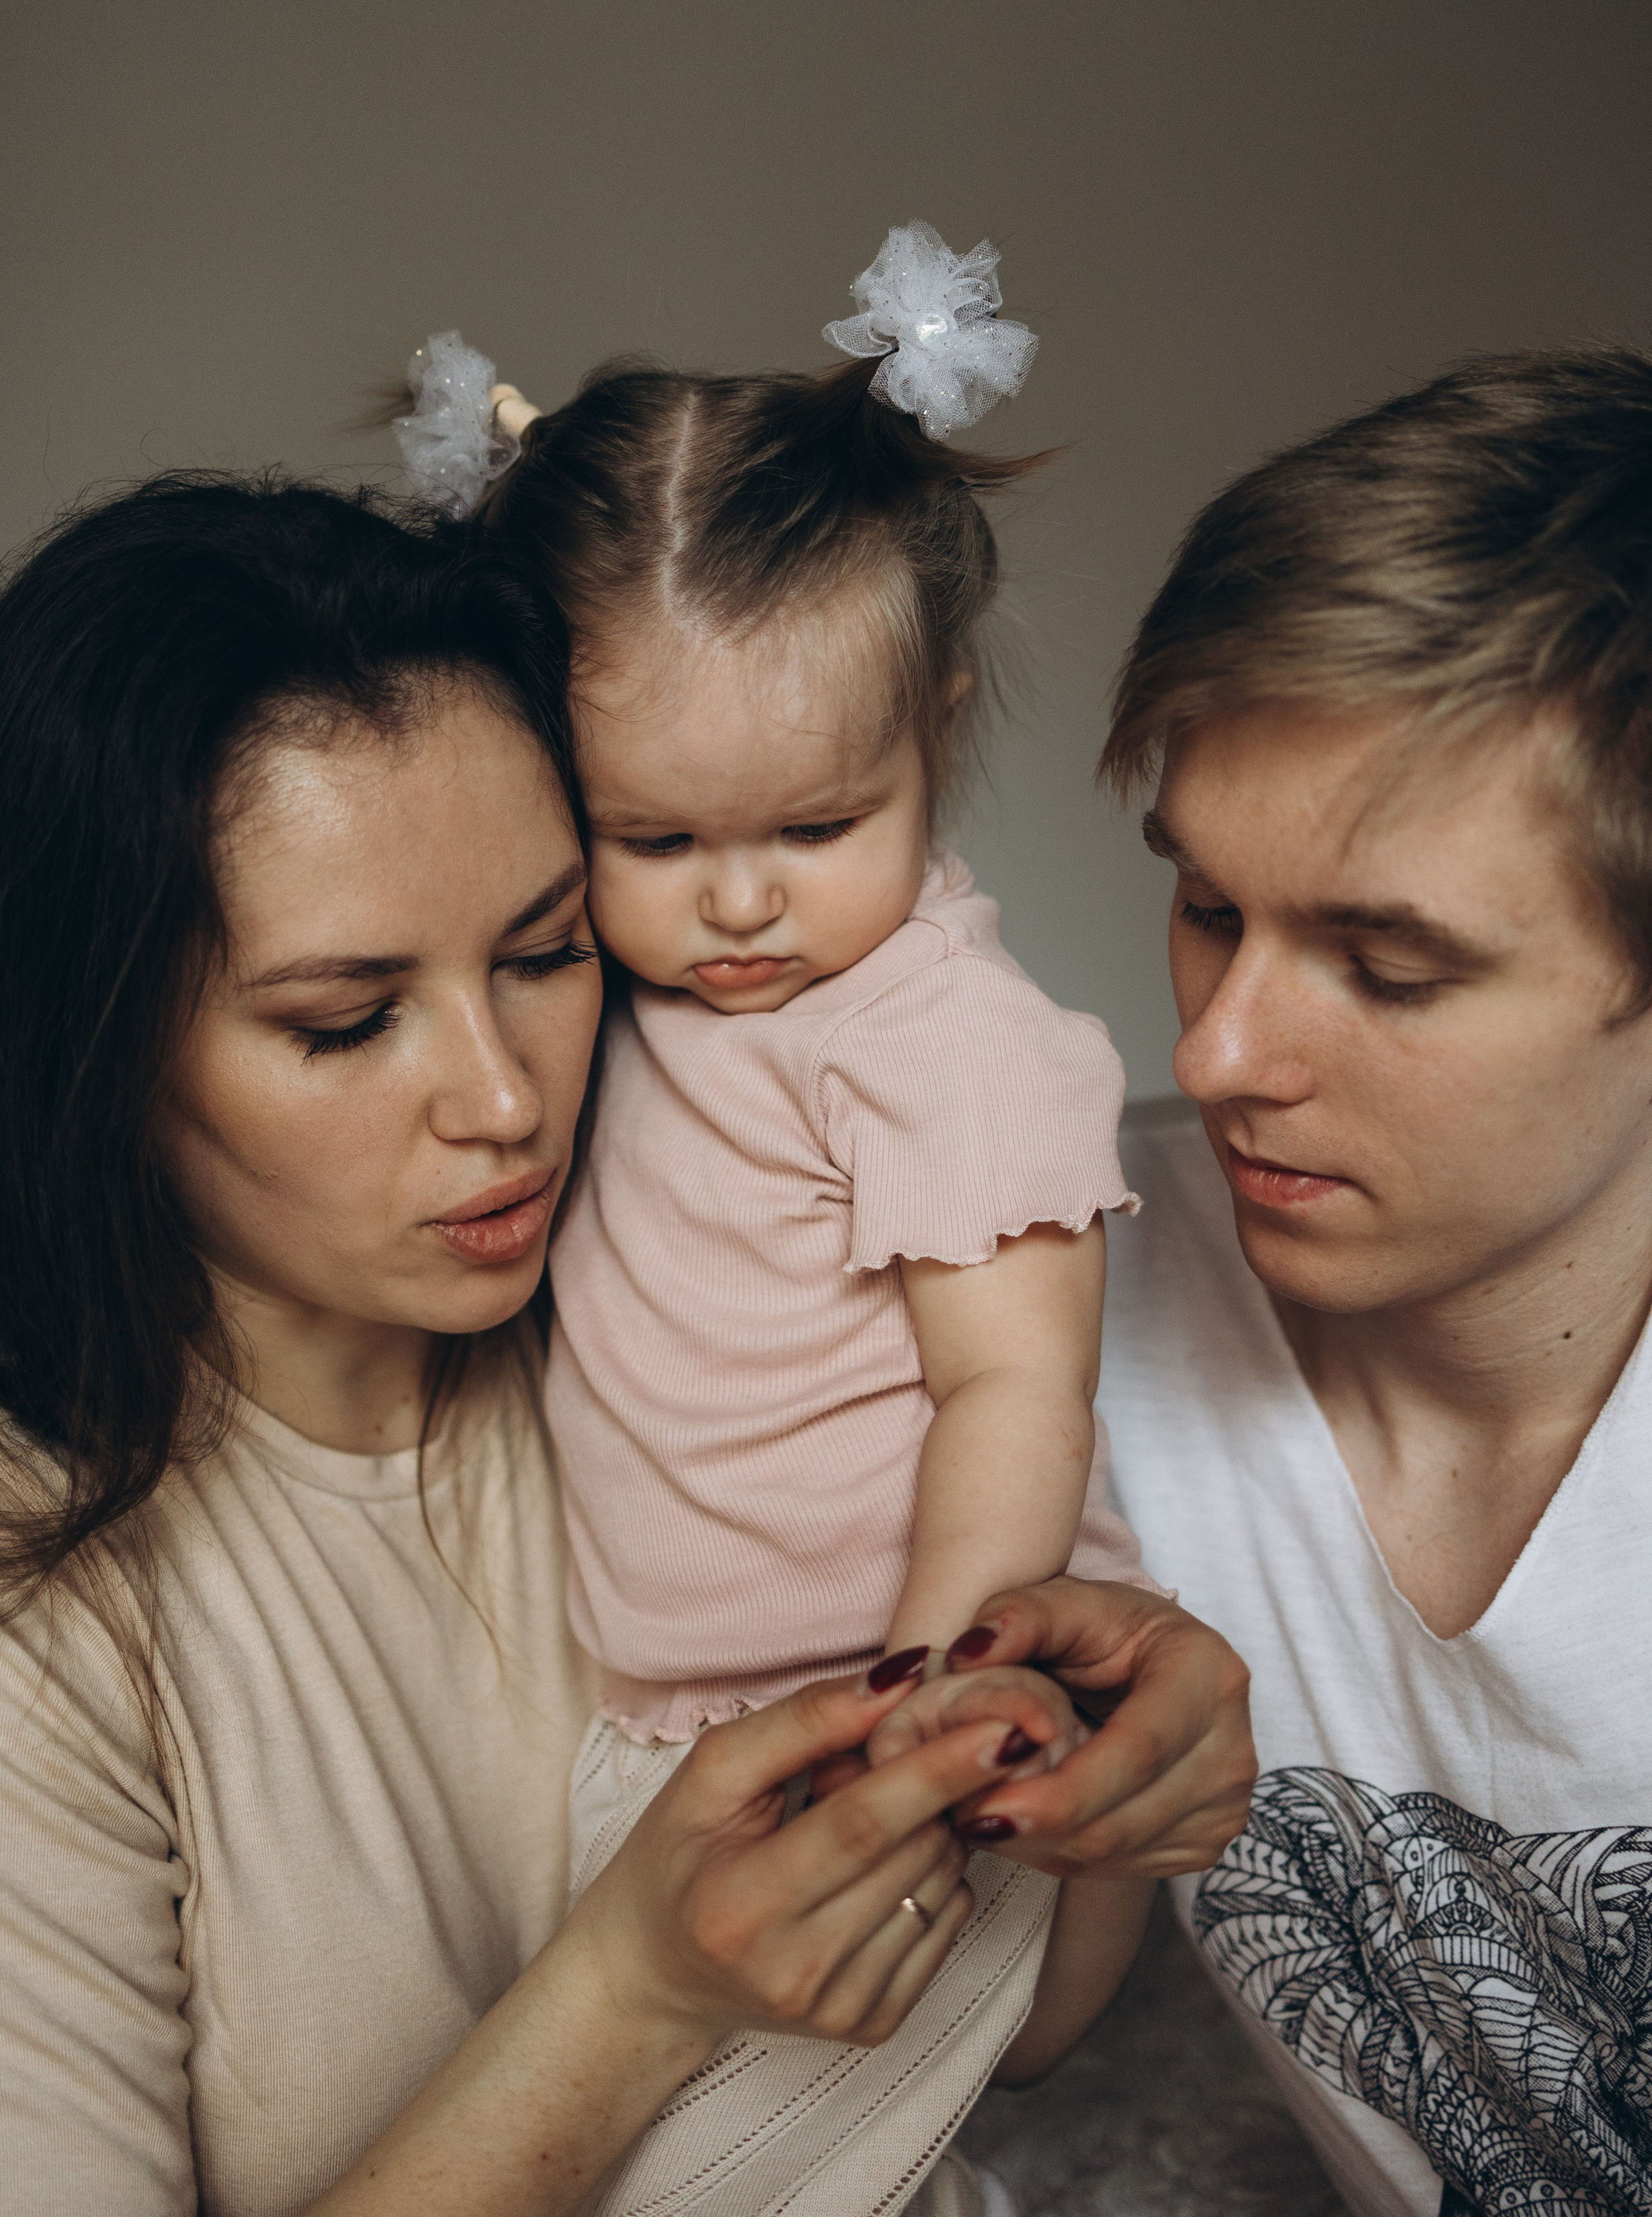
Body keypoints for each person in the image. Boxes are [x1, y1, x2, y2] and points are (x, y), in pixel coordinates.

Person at [0, 470, 1254, 2217]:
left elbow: (1011, 2040)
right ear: (94, 1049)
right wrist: (633, 1994)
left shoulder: (696, 1323)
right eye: (349, 1021)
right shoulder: (50, 1626)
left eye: (549, 950)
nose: (506, 1100)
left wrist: (1102, 1784)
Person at [390, 225, 1157, 2191]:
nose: (738, 905)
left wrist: (930, 1700)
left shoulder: (940, 1035)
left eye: (818, 831)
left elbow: (1015, 1402)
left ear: (937, 731)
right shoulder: (602, 998)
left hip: (894, 1692)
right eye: (655, 838)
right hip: (675, 1707)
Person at [976, 348, 1652, 2216]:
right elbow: (1013, 2034)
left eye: (1388, 963)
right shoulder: (1046, 1309)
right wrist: (1106, 1801)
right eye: (1207, 907)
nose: (1214, 1055)